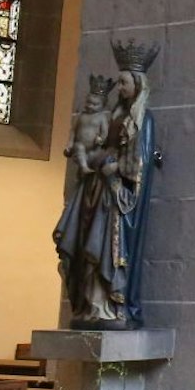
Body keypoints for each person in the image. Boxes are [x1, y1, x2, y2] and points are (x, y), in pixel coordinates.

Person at [53, 41, 161, 329]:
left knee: (105, 250)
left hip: (117, 198)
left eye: (125, 83)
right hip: (98, 190)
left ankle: (110, 307)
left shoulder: (142, 120)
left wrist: (116, 167)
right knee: (89, 248)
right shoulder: (112, 116)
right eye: (121, 82)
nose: (121, 88)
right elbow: (98, 144)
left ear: (138, 85)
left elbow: (141, 162)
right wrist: (95, 158)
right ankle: (91, 306)